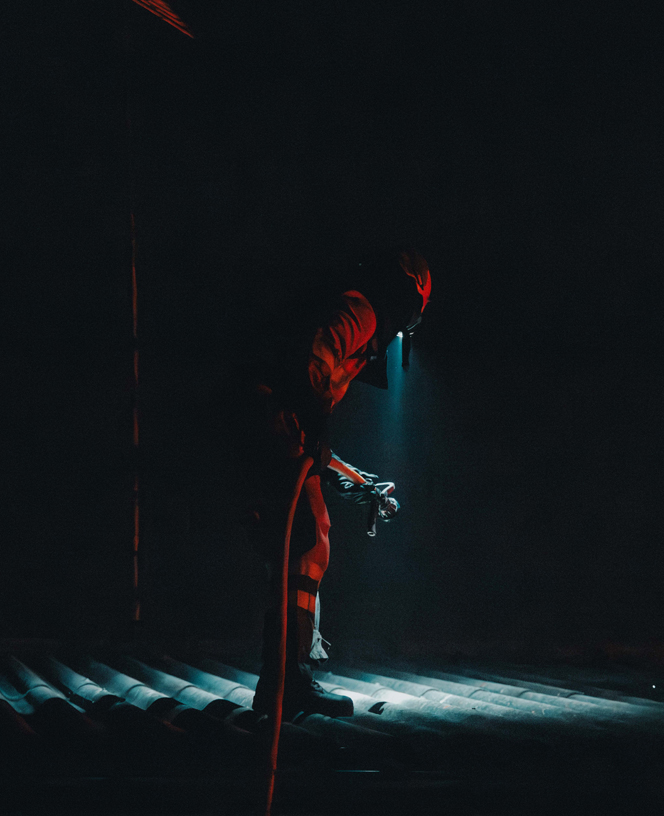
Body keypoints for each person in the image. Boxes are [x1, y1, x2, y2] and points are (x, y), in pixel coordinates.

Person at [242, 248, 432, 720]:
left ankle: (282, 680)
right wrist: (315, 437)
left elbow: (311, 426)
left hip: (270, 421)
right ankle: (287, 682)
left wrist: (356, 481)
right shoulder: (361, 312)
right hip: (267, 419)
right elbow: (309, 372)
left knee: (304, 541)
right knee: (308, 537)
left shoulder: (361, 324)